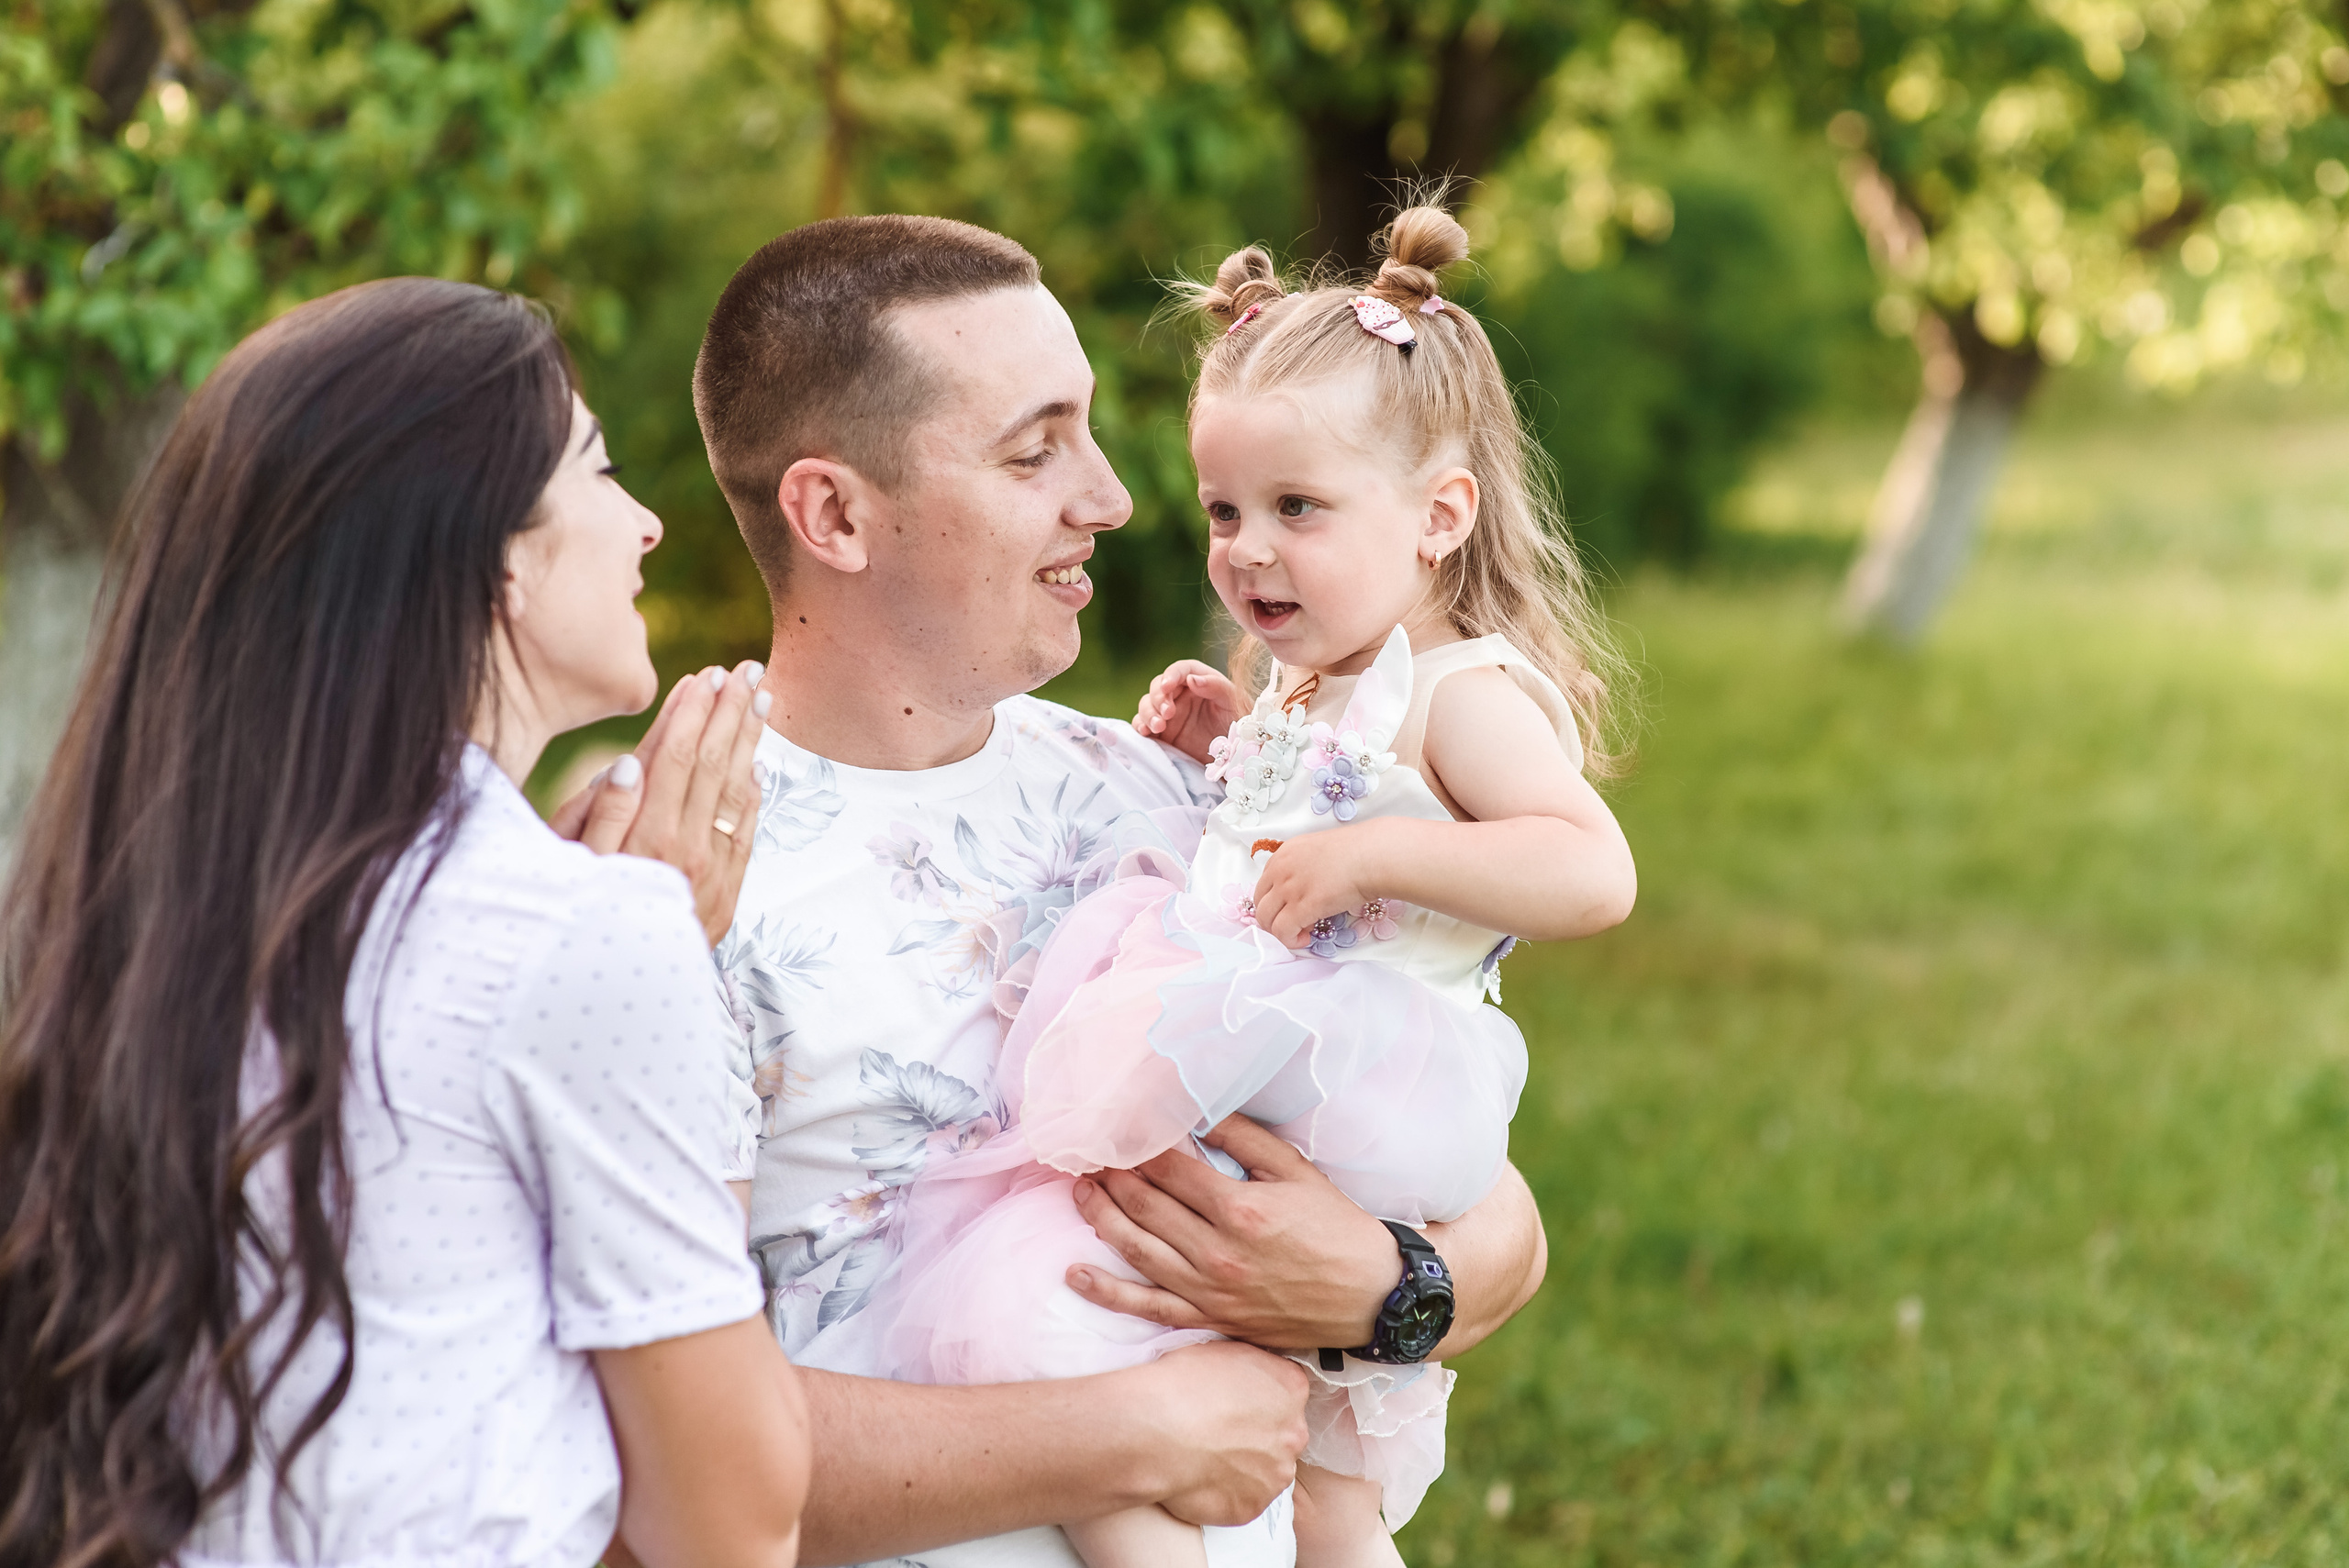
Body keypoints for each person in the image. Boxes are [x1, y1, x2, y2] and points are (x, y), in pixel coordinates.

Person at [695, 214, 1555, 1566]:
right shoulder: (688, 874)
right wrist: (1130, 1430)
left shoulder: (1162, 789)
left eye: (1090, 434)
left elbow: (1496, 1206)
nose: (1109, 496)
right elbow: (634, 1453)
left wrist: (1389, 1286)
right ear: (834, 513)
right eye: (1035, 452)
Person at [0, 277, 808, 1568]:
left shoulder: (148, 913)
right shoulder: (580, 934)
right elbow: (733, 1520)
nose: (650, 525)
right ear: (497, 565)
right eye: (600, 475)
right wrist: (672, 961)